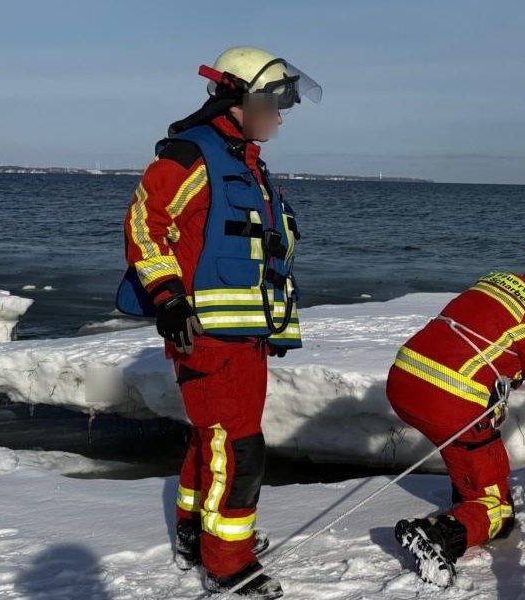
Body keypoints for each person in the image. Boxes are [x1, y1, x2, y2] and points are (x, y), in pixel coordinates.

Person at [116, 46, 322, 599]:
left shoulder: (246, 159)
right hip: (205, 334)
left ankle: (193, 532)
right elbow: (144, 223)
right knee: (240, 448)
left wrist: (272, 325)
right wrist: (168, 299)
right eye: (275, 103)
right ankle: (227, 564)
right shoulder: (191, 155)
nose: (281, 115)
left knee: (215, 440)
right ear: (238, 99)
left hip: (244, 334)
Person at [387, 255, 525, 588]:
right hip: (450, 400)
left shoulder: (492, 282)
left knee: (465, 450)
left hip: (403, 380)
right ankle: (436, 535)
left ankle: (464, 495)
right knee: (499, 511)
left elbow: (491, 336)